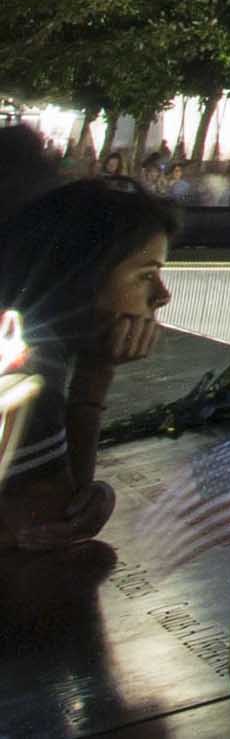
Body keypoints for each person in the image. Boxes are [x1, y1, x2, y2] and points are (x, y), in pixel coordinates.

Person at [1, 180, 186, 555]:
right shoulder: (26, 357)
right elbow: (52, 522)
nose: (162, 296)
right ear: (82, 273)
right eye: (146, 275)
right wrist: (96, 373)